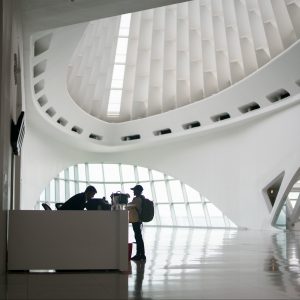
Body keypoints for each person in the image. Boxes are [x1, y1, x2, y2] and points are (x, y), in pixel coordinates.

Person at [127, 184, 146, 261]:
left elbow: (128, 206)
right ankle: (140, 254)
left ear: (138, 191)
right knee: (138, 237)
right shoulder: (139, 199)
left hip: (136, 220)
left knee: (138, 238)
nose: (133, 191)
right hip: (137, 220)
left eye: (134, 190)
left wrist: (125, 200)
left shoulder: (137, 199)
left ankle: (140, 255)